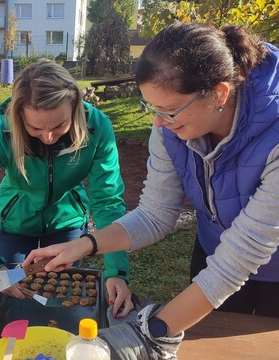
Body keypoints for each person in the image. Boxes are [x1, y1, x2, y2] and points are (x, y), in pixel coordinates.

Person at [23, 22, 279, 359]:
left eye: (169, 110)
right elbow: (156, 214)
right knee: (217, 343)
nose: (159, 123)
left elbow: (241, 254)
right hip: (213, 252)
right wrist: (84, 246)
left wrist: (151, 333)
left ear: (218, 94)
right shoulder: (170, 125)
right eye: (151, 108)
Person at [0, 59, 133, 315]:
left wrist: (116, 271)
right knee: (11, 304)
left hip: (67, 226)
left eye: (59, 126)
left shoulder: (97, 128)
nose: (48, 137)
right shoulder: (2, 133)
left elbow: (108, 201)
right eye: (35, 127)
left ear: (75, 108)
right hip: (14, 227)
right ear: (19, 116)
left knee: (61, 303)